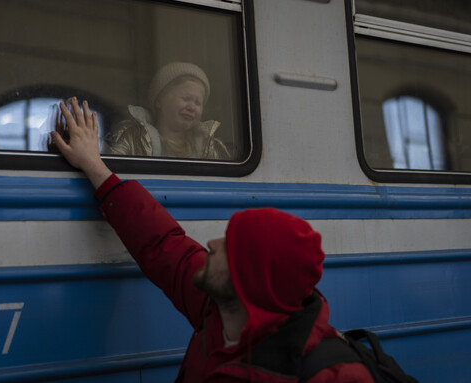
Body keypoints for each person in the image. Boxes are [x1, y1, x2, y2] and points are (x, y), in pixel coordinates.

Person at [50, 98, 373, 382]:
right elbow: (162, 242)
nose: (212, 245)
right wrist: (93, 164)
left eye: (231, 246)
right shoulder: (220, 310)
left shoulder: (333, 375)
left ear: (250, 278)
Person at [103, 62, 231, 160]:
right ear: (159, 101)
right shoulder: (132, 137)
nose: (192, 107)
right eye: (186, 98)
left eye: (198, 103)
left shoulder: (210, 147)